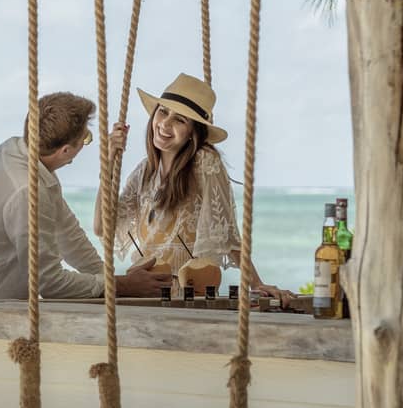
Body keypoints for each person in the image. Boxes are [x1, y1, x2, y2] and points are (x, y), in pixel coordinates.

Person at [0, 92, 171, 300]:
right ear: (66, 150)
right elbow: (49, 283)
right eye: (86, 139)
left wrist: (110, 278)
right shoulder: (27, 192)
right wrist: (122, 286)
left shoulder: (17, 150)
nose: (86, 144)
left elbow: (69, 236)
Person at [101, 73, 292, 301]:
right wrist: (108, 160)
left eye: (180, 120)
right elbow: (102, 226)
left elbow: (226, 233)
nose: (165, 124)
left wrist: (257, 283)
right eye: (163, 112)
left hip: (185, 295)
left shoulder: (204, 162)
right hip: (144, 294)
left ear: (193, 132)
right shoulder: (144, 172)